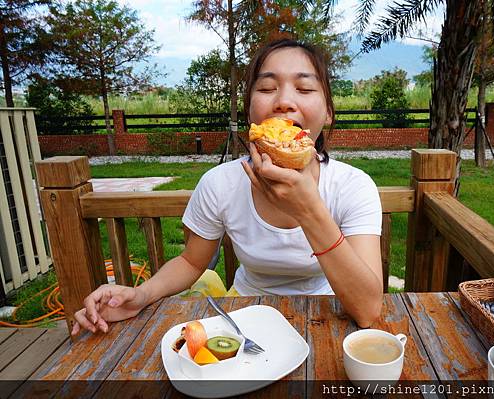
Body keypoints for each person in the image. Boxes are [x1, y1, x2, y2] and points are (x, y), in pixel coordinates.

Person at [71, 39, 383, 336]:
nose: (284, 102)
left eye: (304, 88)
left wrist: (310, 210)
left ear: (327, 112)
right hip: (244, 311)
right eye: (266, 88)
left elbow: (368, 310)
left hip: (329, 312)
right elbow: (193, 261)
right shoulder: (220, 183)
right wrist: (141, 295)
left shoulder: (353, 186)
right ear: (250, 112)